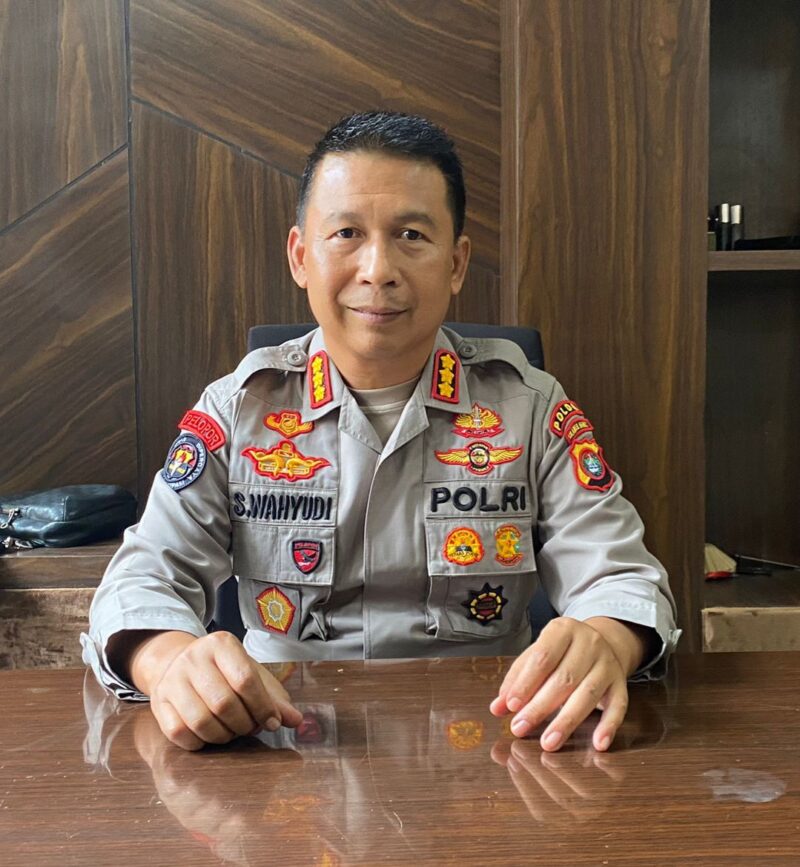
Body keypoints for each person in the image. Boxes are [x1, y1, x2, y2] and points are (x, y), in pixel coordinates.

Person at [82, 110, 681, 754]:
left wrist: (606, 639)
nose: (378, 269)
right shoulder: (238, 410)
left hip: (492, 746)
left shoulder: (529, 408)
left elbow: (622, 577)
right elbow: (142, 579)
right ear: (300, 256)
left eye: (411, 236)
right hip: (281, 746)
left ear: (456, 264)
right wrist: (170, 661)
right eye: (346, 233)